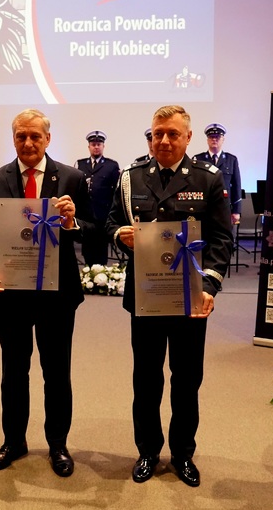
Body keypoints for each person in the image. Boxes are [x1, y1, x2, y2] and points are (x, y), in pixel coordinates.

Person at [106, 105, 232, 487]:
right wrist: (120, 236)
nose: (163, 140)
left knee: (187, 379)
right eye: (157, 133)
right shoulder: (130, 178)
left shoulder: (208, 179)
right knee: (146, 379)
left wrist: (209, 286)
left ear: (188, 137)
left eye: (172, 134)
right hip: (145, 296)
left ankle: (182, 453)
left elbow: (221, 239)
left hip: (189, 298)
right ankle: (147, 450)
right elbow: (111, 222)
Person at [0, 108, 93, 477]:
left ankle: (58, 445)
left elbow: (95, 230)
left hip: (58, 296)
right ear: (13, 139)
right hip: (11, 295)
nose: (28, 142)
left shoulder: (72, 178)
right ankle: (14, 441)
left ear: (48, 139)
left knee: (56, 373)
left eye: (35, 136)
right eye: (21, 136)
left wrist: (72, 222)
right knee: (13, 371)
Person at [76, 130, 120, 265]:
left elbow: (116, 192)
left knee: (101, 249)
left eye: (99, 144)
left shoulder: (111, 165)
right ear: (89, 146)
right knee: (87, 249)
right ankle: (88, 274)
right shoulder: (80, 164)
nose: (96, 147)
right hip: (86, 215)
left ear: (103, 146)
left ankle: (101, 274)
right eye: (93, 144)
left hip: (103, 215)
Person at [193, 123, 242, 225]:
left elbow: (236, 186)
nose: (214, 139)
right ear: (207, 140)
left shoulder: (231, 159)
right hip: (204, 208)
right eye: (211, 137)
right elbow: (193, 185)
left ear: (223, 139)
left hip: (225, 208)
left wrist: (236, 210)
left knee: (226, 234)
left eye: (217, 137)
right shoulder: (198, 159)